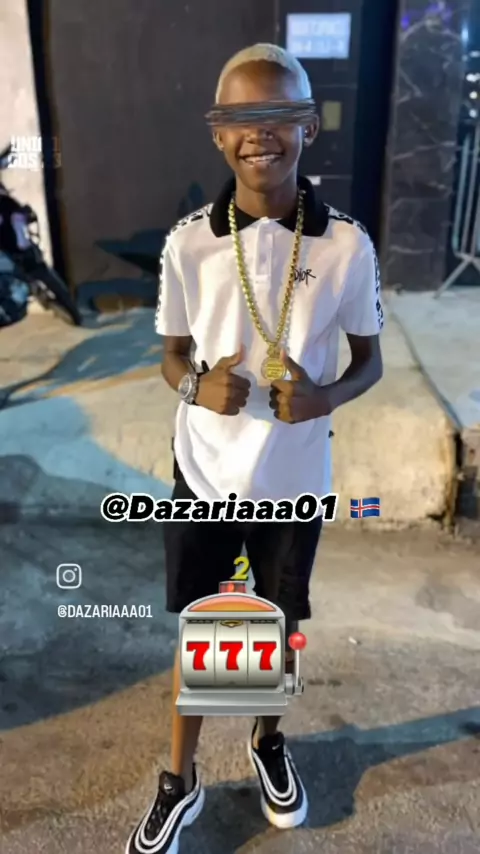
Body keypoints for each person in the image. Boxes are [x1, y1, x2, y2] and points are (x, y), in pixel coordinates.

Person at [127, 43, 383, 854]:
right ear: (217, 133)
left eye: (279, 115)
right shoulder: (188, 244)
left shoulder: (346, 244)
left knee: (276, 623)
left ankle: (268, 740)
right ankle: (180, 779)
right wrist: (194, 388)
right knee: (202, 627)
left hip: (293, 474)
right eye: (241, 117)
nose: (259, 132)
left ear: (309, 125)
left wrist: (324, 398)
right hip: (204, 469)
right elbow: (172, 355)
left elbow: (370, 362)